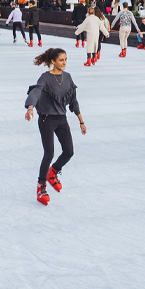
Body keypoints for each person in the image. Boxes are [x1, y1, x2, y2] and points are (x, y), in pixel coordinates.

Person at [26, 48, 86, 206]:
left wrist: (81, 120)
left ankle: (53, 172)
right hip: (46, 119)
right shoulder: (45, 78)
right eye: (61, 60)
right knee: (49, 153)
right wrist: (30, 107)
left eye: (66, 59)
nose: (64, 63)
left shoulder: (68, 77)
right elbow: (36, 92)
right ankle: (41, 186)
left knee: (69, 151)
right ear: (53, 61)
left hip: (61, 119)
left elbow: (73, 101)